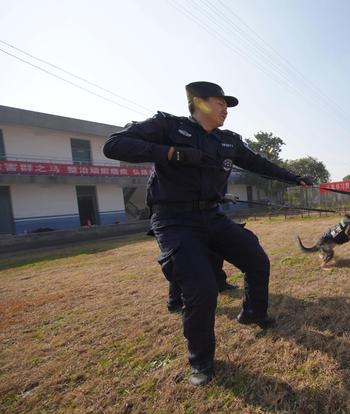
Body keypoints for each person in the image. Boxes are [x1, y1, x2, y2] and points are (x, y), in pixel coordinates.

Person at [103, 81, 311, 386]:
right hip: (174, 219)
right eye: (220, 103)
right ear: (199, 103)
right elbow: (114, 145)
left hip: (211, 215)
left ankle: (253, 313)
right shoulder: (168, 127)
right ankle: (201, 362)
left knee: (256, 258)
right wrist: (172, 153)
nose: (225, 109)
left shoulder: (228, 141)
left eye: (226, 105)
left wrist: (294, 177)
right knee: (201, 288)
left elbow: (257, 163)